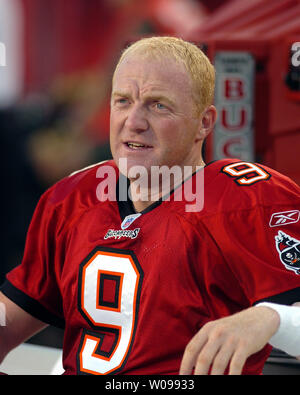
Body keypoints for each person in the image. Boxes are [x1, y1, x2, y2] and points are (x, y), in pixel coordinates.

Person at [0, 36, 300, 375]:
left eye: (158, 105)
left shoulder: (244, 202)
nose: (134, 121)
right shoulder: (73, 197)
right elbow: (14, 313)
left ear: (204, 123)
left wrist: (273, 317)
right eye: (123, 101)